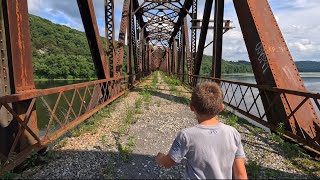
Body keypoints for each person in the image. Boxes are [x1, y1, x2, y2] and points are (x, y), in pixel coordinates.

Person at [155, 81, 247, 179]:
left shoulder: (186, 135)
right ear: (221, 108)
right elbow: (241, 175)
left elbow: (168, 162)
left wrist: (159, 157)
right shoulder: (233, 133)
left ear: (191, 107)